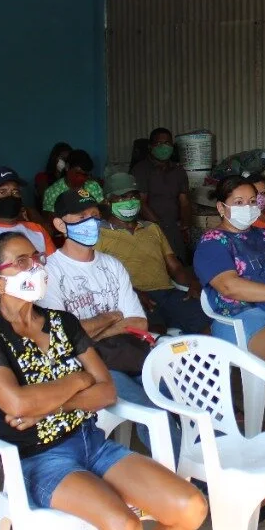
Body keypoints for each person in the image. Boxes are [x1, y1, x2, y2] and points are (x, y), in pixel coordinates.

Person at [0, 232, 207, 530]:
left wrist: (57, 397)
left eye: (36, 259)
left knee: (190, 507)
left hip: (92, 443)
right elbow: (18, 405)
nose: (35, 268)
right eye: (21, 262)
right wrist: (78, 380)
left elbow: (106, 390)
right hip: (40, 459)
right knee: (123, 529)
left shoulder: (62, 322)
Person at [44, 189, 171, 453]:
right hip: (87, 366)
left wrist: (85, 331)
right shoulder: (49, 272)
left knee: (185, 397)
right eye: (80, 216)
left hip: (129, 354)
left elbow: (138, 323)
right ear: (59, 224)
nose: (90, 222)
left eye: (94, 215)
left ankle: (210, 464)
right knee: (154, 412)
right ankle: (192, 481)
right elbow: (61, 337)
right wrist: (110, 317)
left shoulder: (112, 265)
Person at [193, 175, 265, 433]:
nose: (248, 207)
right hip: (241, 317)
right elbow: (230, 287)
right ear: (222, 208)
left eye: (252, 201)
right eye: (239, 201)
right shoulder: (212, 242)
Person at [97, 172, 209, 335]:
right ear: (107, 201)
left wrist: (192, 283)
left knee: (206, 322)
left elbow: (175, 267)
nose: (129, 202)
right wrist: (132, 293)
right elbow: (98, 276)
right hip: (132, 298)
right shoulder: (100, 233)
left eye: (133, 196)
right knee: (155, 333)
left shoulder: (152, 228)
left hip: (167, 293)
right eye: (121, 198)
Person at [130, 128, 192, 261]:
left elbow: (184, 202)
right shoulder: (141, 170)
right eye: (159, 144)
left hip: (174, 226)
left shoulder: (178, 171)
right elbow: (140, 202)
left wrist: (184, 226)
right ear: (150, 146)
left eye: (168, 144)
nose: (164, 147)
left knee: (179, 262)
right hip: (149, 226)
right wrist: (159, 226)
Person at [42, 149, 102, 214]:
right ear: (67, 167)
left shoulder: (92, 186)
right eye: (78, 173)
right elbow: (50, 219)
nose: (81, 178)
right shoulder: (52, 192)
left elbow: (101, 211)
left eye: (85, 175)